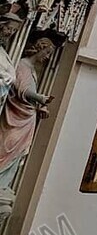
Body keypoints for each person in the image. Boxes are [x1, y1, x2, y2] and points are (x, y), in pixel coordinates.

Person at [0, 39, 56, 190]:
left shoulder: (32, 70)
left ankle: (3, 186)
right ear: (39, 48)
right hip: (14, 118)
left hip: (27, 119)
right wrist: (40, 98)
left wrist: (40, 107)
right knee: (7, 145)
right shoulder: (22, 65)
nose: (47, 57)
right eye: (47, 52)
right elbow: (19, 90)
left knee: (17, 155)